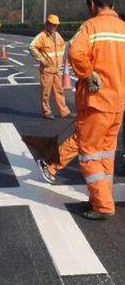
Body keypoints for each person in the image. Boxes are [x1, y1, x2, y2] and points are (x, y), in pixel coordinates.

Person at [37, 0, 125, 220]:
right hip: (117, 104)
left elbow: (75, 51)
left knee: (89, 155)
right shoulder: (123, 28)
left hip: (96, 102)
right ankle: (100, 198)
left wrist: (87, 75)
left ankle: (103, 206)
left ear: (93, 4)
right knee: (106, 154)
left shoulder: (91, 27)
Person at [29, 14, 75, 120]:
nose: (54, 27)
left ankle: (64, 111)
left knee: (59, 91)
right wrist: (42, 60)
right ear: (47, 24)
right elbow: (32, 47)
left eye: (56, 25)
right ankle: (46, 112)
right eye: (52, 25)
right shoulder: (42, 36)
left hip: (57, 69)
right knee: (46, 92)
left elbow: (63, 46)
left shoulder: (58, 36)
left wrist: (61, 61)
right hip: (47, 70)